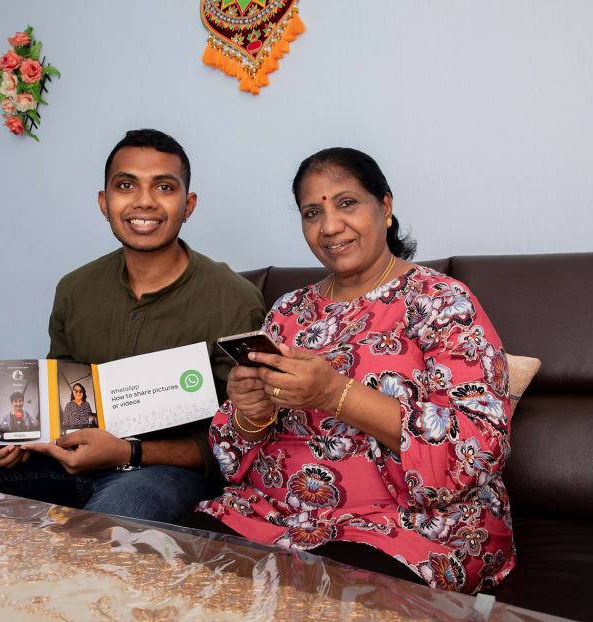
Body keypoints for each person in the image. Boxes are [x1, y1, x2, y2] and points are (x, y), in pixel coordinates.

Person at [0, 129, 266, 524]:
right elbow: (58, 397)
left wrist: (127, 452)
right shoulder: (76, 288)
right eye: (126, 185)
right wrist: (9, 431)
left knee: (117, 517)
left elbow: (238, 438)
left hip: (164, 472)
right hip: (65, 458)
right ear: (104, 201)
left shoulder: (233, 300)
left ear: (189, 204)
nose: (144, 201)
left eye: (164, 186)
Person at [186, 148, 514, 593]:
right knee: (175, 577)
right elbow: (229, 457)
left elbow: (479, 445)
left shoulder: (441, 302)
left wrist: (334, 393)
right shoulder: (288, 312)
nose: (330, 227)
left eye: (346, 203)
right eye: (312, 213)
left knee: (323, 600)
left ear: (386, 205)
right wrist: (249, 411)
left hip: (405, 526)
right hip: (272, 514)